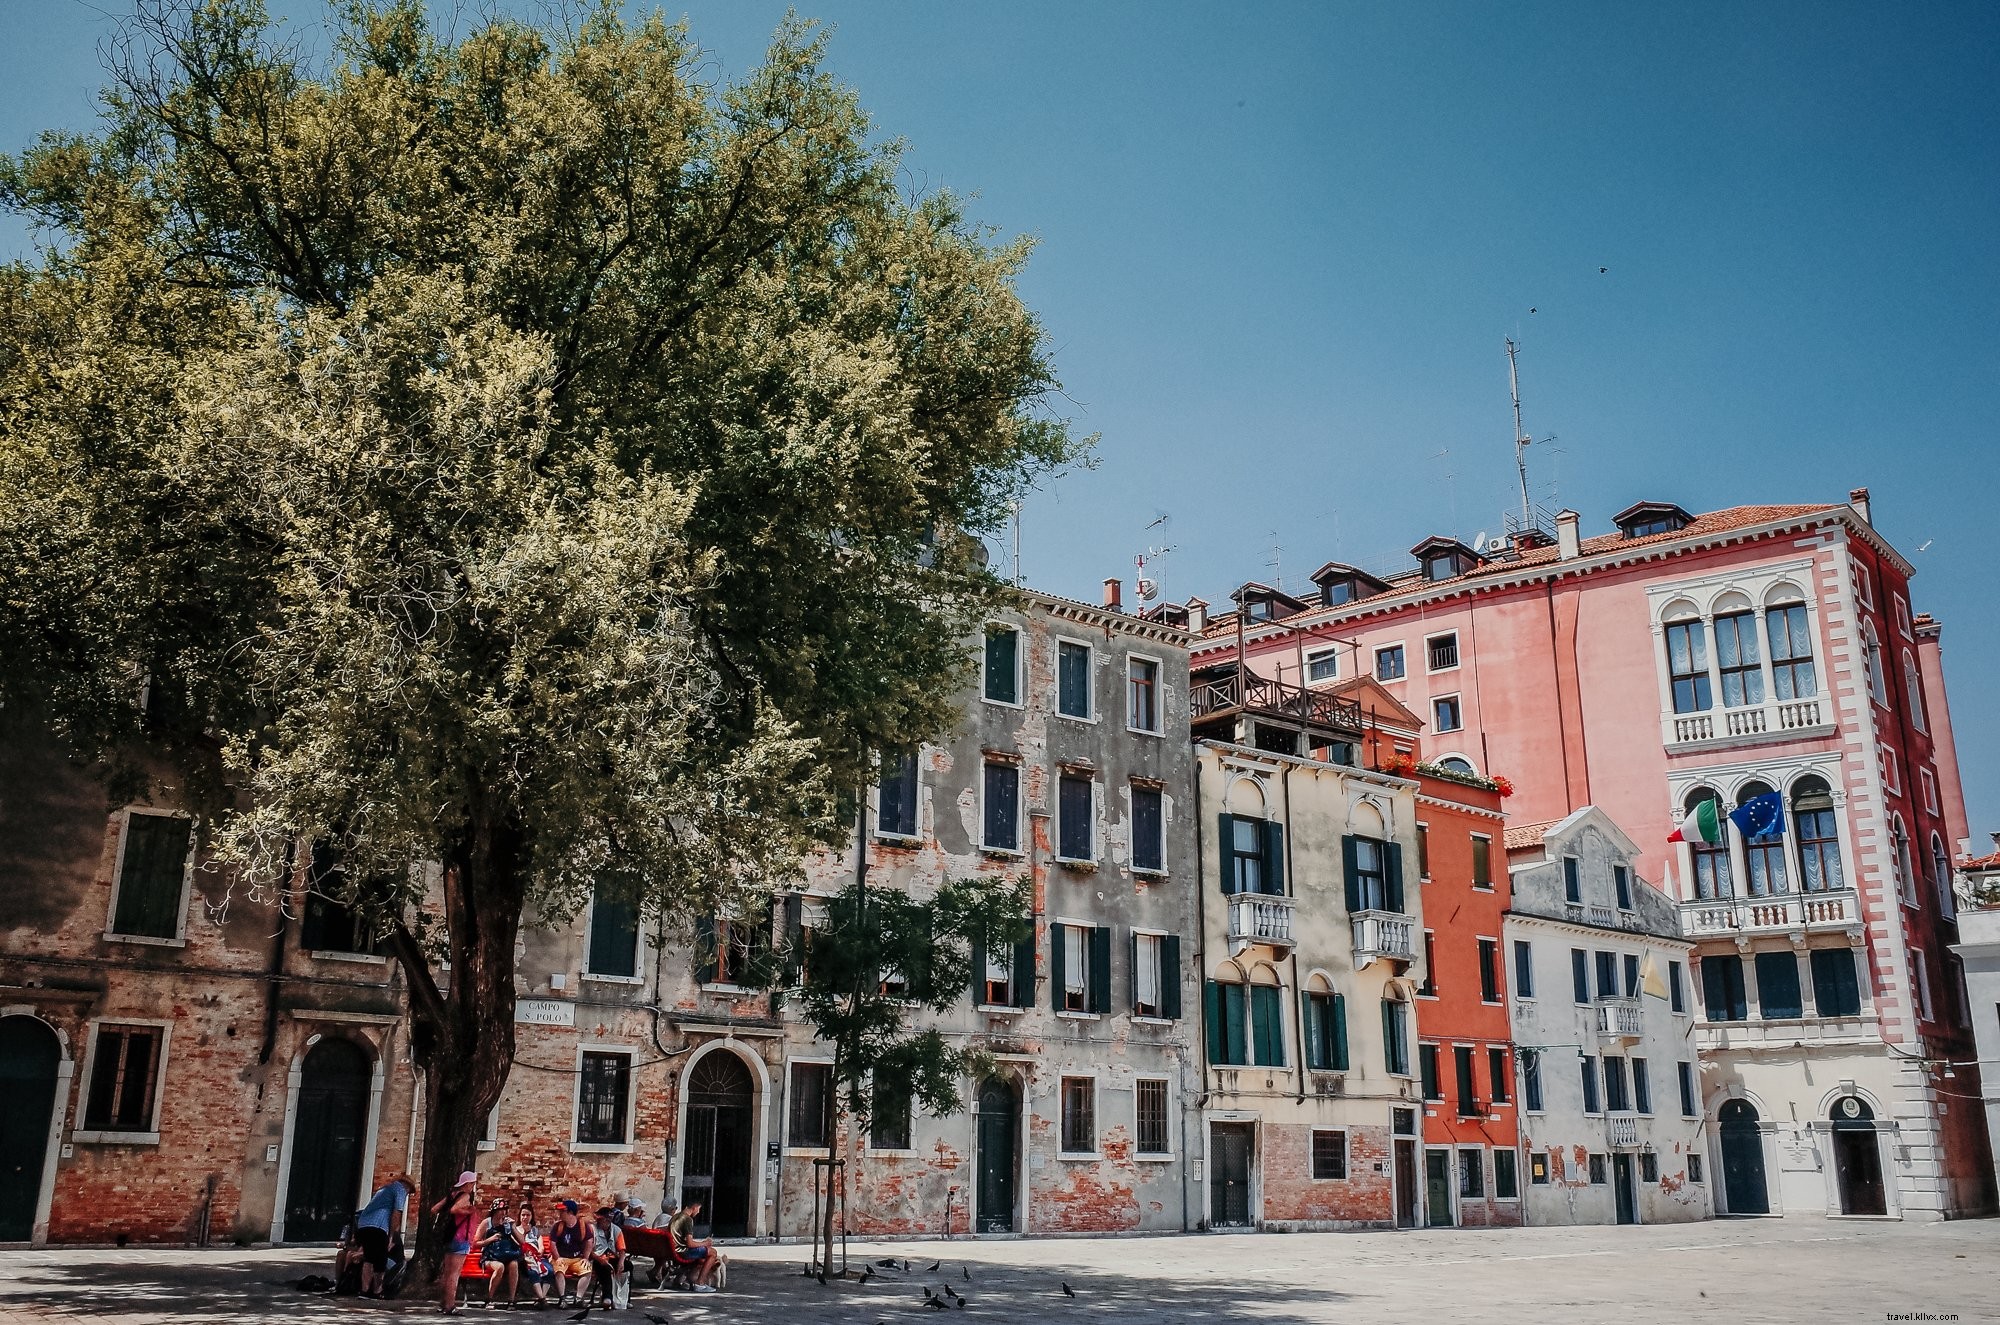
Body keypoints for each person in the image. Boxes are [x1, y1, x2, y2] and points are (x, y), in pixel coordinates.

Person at [352, 1176, 412, 1299]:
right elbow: (397, 1213)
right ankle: (377, 1291)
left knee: (368, 1258)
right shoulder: (400, 1190)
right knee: (380, 1260)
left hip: (363, 1224)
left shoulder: (383, 1190)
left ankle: (364, 1291)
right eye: (410, 1192)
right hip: (378, 1226)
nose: (408, 1195)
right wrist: (391, 1235)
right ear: (407, 1186)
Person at [429, 1171, 480, 1315]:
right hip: (461, 1237)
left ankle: (443, 1303)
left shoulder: (451, 1195)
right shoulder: (465, 1196)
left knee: (447, 1273)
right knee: (454, 1274)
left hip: (449, 1237)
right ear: (468, 1184)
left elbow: (434, 1209)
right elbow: (454, 1209)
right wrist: (468, 1211)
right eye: (472, 1183)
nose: (473, 1186)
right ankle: (450, 1306)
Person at [476, 1197, 526, 1309]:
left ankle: (511, 1300)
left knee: (514, 1264)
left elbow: (522, 1241)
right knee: (500, 1267)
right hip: (490, 1257)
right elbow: (476, 1243)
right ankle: (489, 1298)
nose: (503, 1213)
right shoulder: (487, 1223)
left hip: (506, 1255)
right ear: (494, 1211)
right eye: (500, 1210)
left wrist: (513, 1227)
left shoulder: (508, 1223)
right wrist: (491, 1239)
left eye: (505, 1210)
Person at [666, 1199, 723, 1294]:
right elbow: (690, 1244)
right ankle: (699, 1283)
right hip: (682, 1252)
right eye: (699, 1209)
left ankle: (687, 1280)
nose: (699, 1212)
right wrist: (705, 1243)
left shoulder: (675, 1217)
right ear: (694, 1207)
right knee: (712, 1252)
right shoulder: (687, 1219)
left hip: (672, 1250)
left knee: (702, 1254)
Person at [548, 1200, 592, 1307]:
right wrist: (557, 1257)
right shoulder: (558, 1226)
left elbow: (589, 1242)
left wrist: (586, 1258)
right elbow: (552, 1244)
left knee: (587, 1270)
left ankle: (578, 1298)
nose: (560, 1214)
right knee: (559, 1270)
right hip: (561, 1257)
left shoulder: (582, 1226)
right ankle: (562, 1299)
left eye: (562, 1211)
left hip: (576, 1258)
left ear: (570, 1212)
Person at [516, 1201, 556, 1308]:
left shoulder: (535, 1230)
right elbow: (520, 1244)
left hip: (537, 1257)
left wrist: (540, 1251)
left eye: (528, 1215)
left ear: (532, 1216)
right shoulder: (516, 1230)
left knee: (550, 1271)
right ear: (519, 1216)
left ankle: (541, 1298)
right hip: (525, 1259)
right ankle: (542, 1299)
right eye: (523, 1215)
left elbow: (541, 1245)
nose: (525, 1217)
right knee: (533, 1272)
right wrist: (524, 1232)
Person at [588, 1206, 629, 1308]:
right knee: (605, 1268)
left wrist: (621, 1262)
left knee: (629, 1266)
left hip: (612, 1257)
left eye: (608, 1219)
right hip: (597, 1258)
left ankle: (625, 1298)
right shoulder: (592, 1229)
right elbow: (588, 1251)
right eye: (604, 1219)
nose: (606, 1221)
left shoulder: (616, 1230)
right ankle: (607, 1298)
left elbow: (622, 1250)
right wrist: (600, 1259)